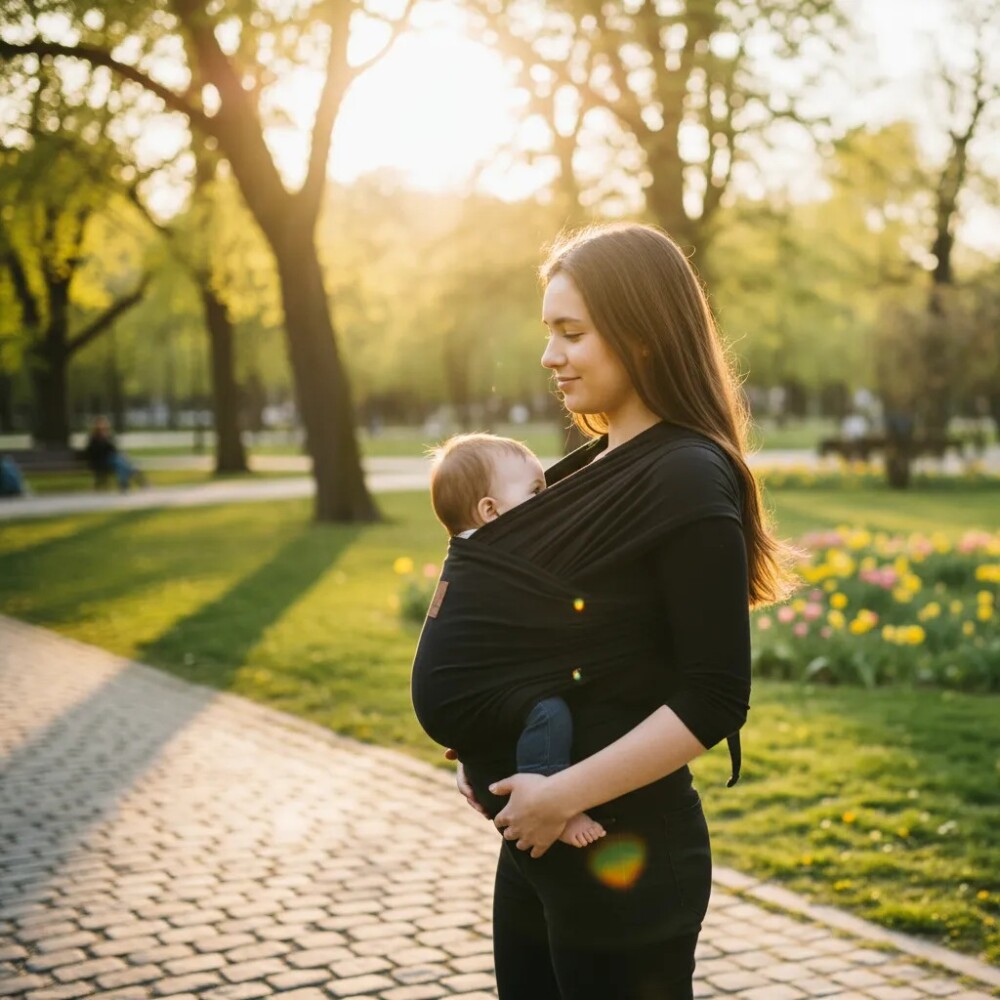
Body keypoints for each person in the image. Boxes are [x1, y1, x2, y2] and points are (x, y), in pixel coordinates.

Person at [438, 223, 794, 999]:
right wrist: (486, 738)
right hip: (537, 851)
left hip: (624, 853)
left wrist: (561, 794)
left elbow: (714, 694)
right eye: (548, 332)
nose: (549, 356)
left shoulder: (688, 477)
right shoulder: (582, 470)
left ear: (641, 336)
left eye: (572, 333)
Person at [427, 432, 607, 848]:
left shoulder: (475, 555)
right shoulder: (499, 565)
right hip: (459, 695)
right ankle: (546, 799)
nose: (547, 501)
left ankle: (487, 777)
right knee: (549, 712)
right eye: (536, 491)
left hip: (452, 693)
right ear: (491, 511)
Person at [82, 416, 144, 492]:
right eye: (100, 425)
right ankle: (133, 476)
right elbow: (94, 452)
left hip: (112, 460)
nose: (102, 427)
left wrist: (121, 453)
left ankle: (124, 485)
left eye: (103, 425)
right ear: (96, 427)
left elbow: (114, 449)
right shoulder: (93, 438)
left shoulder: (109, 436)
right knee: (120, 462)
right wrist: (104, 441)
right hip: (100, 462)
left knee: (120, 464)